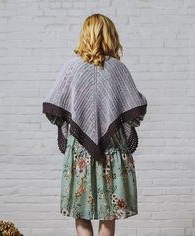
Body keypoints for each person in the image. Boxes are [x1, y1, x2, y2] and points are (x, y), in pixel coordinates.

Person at [42, 13, 147, 236]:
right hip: (113, 151)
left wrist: (72, 122)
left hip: (80, 151)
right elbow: (136, 111)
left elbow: (53, 109)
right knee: (109, 215)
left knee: (81, 212)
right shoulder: (118, 69)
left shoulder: (72, 67)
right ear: (110, 35)